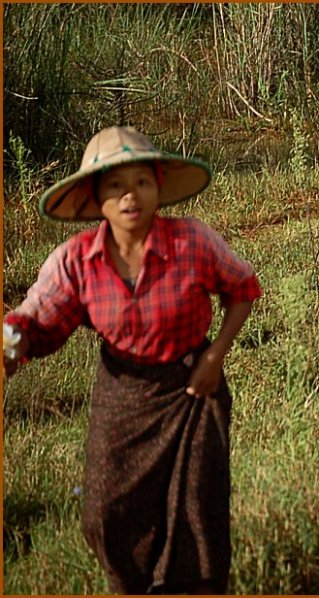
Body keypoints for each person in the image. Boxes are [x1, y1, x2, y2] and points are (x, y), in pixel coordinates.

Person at [3, 126, 263, 594]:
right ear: (95, 196)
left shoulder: (193, 242)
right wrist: (11, 347)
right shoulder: (76, 261)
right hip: (122, 391)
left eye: (142, 182)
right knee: (105, 514)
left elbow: (242, 289)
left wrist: (215, 359)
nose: (130, 196)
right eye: (116, 186)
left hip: (192, 388)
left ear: (158, 188)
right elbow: (37, 321)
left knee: (196, 514)